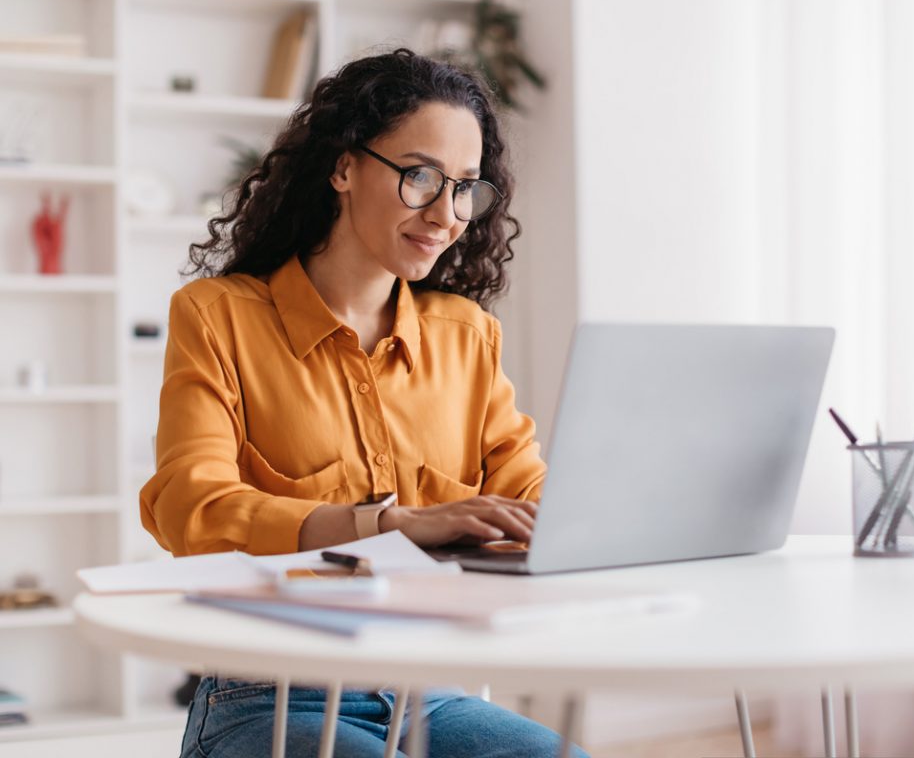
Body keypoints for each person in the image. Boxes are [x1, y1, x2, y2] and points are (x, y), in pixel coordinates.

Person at [139, 48, 589, 758]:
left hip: (431, 690)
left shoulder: (467, 337)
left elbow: (527, 499)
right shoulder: (218, 315)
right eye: (420, 177)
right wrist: (389, 523)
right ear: (343, 167)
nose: (446, 214)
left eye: (466, 188)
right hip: (266, 695)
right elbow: (188, 506)